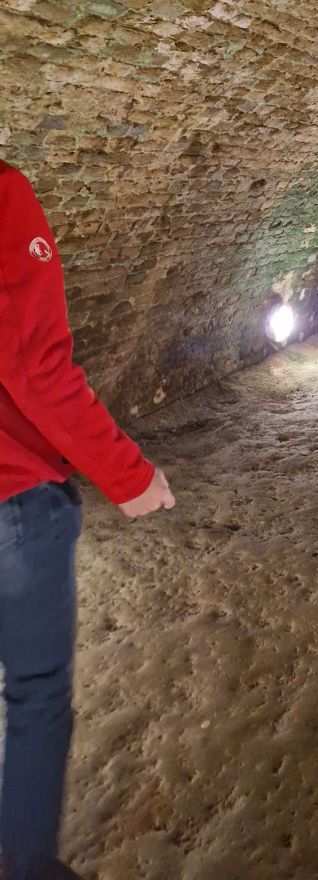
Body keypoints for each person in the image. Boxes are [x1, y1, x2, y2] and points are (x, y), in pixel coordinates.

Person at [0, 159, 176, 880]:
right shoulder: (4, 195)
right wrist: (129, 476)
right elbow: (36, 369)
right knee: (36, 692)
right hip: (13, 498)